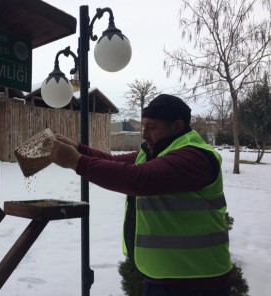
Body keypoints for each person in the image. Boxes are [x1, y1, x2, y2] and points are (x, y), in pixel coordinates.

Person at [50, 94, 232, 296]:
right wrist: (78, 149)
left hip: (197, 283)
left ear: (177, 127)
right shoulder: (156, 152)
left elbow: (139, 179)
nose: (144, 134)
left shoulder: (194, 156)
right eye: (143, 126)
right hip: (160, 278)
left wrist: (77, 162)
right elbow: (114, 161)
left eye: (151, 127)